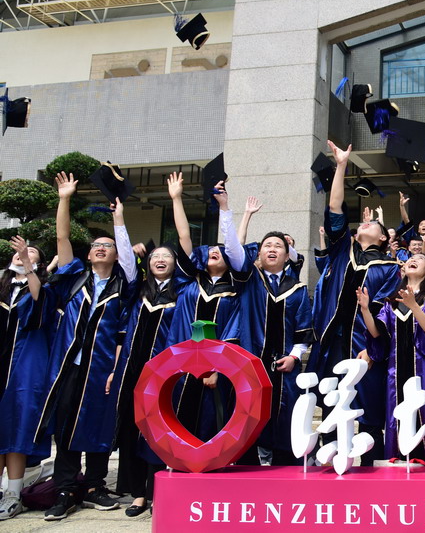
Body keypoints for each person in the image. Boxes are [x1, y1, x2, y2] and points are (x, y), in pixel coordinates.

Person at [38, 172, 138, 521]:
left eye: (107, 245)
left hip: (102, 367)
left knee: (99, 423)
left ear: (115, 255)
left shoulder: (123, 285)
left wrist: (118, 218)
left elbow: (128, 258)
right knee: (65, 425)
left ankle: (95, 486)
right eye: (96, 244)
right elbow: (62, 237)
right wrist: (64, 198)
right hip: (70, 365)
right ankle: (65, 489)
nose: (100, 247)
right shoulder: (75, 276)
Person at [309, 142, 401, 464]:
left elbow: (385, 313)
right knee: (333, 407)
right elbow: (335, 208)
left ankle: (372, 471)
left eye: (372, 224)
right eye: (362, 224)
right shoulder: (341, 251)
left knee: (369, 412)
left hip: (365, 347)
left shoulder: (390, 268)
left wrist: (374, 350)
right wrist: (341, 167)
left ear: (383, 238)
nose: (364, 224)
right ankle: (332, 467)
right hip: (333, 342)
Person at [166, 177, 251, 443]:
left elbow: (234, 330)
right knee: (180, 419)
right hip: (182, 363)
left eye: (220, 250)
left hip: (218, 369)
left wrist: (218, 368)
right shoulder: (189, 281)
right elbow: (184, 237)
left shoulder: (235, 290)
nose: (215, 251)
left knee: (211, 422)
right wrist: (176, 198)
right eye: (211, 249)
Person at [112, 236, 192, 517]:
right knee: (131, 430)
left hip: (163, 374)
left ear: (175, 263)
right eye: (155, 256)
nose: (160, 259)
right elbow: (127, 266)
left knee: (159, 431)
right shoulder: (138, 291)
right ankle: (137, 493)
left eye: (166, 256)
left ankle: (157, 491)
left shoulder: (183, 292)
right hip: (132, 372)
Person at [222, 226, 312, 466]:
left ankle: (286, 476)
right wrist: (234, 213)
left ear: (287, 255)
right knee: (246, 421)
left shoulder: (297, 288)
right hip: (250, 366)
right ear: (259, 253)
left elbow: (303, 330)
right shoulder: (249, 280)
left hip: (284, 369)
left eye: (278, 246)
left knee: (285, 422)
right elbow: (232, 250)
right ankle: (245, 475)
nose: (272, 249)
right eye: (267, 246)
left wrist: (294, 357)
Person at [358, 253, 425, 465]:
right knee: (399, 417)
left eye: (420, 259)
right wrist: (365, 310)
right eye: (411, 258)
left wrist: (414, 306)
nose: (413, 260)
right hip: (397, 373)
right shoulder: (392, 302)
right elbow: (377, 333)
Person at [0, 237, 48, 521]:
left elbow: (38, 303)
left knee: (16, 430)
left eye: (31, 252)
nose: (23, 253)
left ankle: (13, 494)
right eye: (20, 252)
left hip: (22, 369)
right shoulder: (2, 287)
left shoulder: (40, 289)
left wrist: (28, 265)